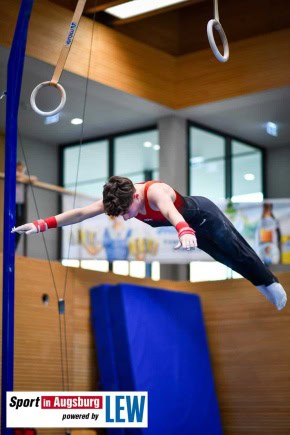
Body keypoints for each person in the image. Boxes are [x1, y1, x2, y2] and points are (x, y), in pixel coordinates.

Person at [12, 176, 287, 310]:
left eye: (126, 213)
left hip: (204, 216)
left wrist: (182, 229)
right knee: (225, 258)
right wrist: (41, 224)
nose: (125, 218)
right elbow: (81, 213)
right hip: (190, 231)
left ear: (135, 198)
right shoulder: (119, 199)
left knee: (236, 249)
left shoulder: (153, 192)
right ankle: (260, 283)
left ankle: (270, 281)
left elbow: (170, 211)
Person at [15, 161, 37, 250]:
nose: (20, 171)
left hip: (22, 203)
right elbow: (17, 176)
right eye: (18, 169)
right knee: (14, 223)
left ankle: (14, 247)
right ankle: (11, 246)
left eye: (21, 169)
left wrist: (22, 177)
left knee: (21, 224)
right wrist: (24, 177)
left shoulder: (22, 177)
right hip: (14, 202)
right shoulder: (13, 174)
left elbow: (34, 179)